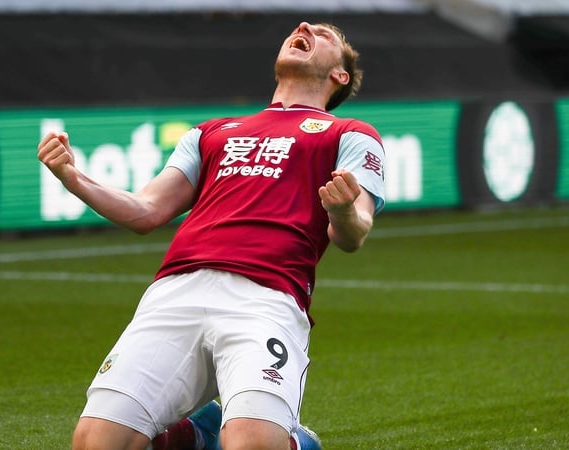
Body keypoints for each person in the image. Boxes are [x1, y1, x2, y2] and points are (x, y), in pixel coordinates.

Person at [37, 21, 386, 450]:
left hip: (266, 297)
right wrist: (74, 179)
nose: (303, 27)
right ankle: (196, 433)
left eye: (324, 34)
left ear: (339, 75)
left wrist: (343, 210)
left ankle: (298, 444)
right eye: (303, 27)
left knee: (253, 444)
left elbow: (354, 233)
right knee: (95, 443)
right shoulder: (211, 131)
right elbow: (146, 210)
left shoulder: (350, 134)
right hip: (175, 291)